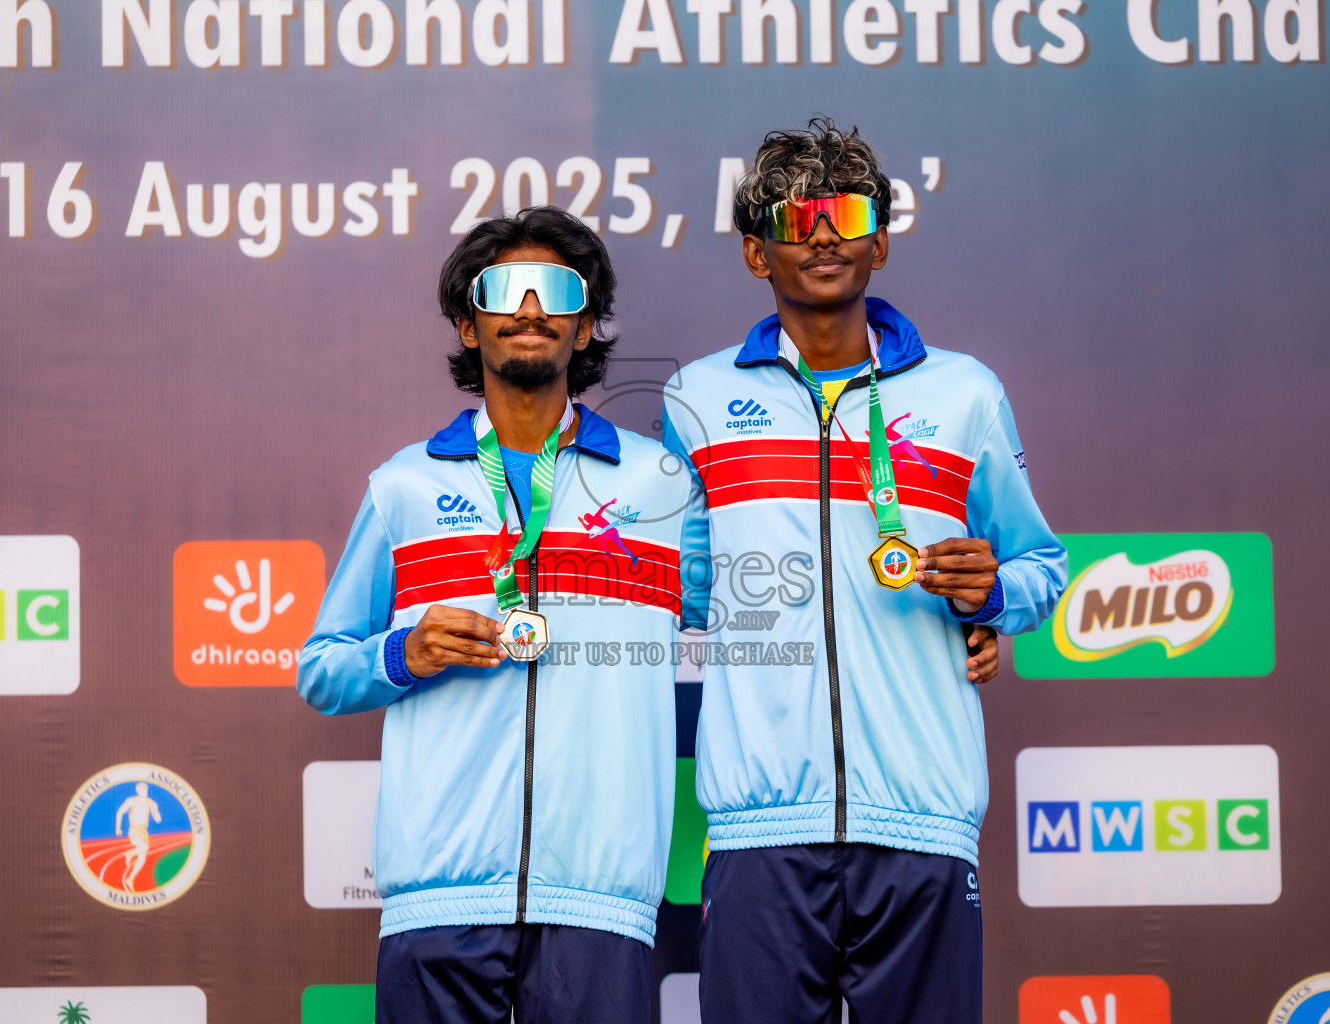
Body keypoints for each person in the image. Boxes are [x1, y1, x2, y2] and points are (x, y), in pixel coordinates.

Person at [663, 119, 1065, 1023]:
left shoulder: (964, 393)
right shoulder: (697, 398)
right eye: (792, 216)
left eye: (844, 213)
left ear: (880, 241)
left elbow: (1040, 567)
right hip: (760, 829)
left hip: (922, 814)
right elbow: (682, 589)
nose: (821, 235)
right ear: (755, 253)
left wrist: (991, 593)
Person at [298, 206, 702, 1024]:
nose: (528, 308)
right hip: (439, 896)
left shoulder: (661, 486)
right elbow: (322, 668)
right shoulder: (404, 488)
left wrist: (965, 622)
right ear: (466, 322)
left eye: (555, 289)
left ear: (586, 326)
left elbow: (775, 616)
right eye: (502, 290)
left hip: (601, 894)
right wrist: (405, 651)